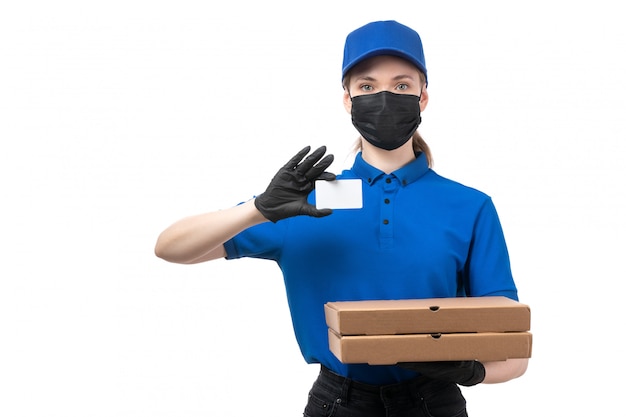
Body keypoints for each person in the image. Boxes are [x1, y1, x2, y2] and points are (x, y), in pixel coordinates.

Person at [155, 20, 528, 417]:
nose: (384, 96)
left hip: (434, 403)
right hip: (338, 404)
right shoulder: (305, 201)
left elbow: (513, 350)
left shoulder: (470, 206)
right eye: (367, 86)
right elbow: (171, 248)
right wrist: (258, 208)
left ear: (422, 99)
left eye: (401, 85)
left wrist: (471, 370)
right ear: (348, 100)